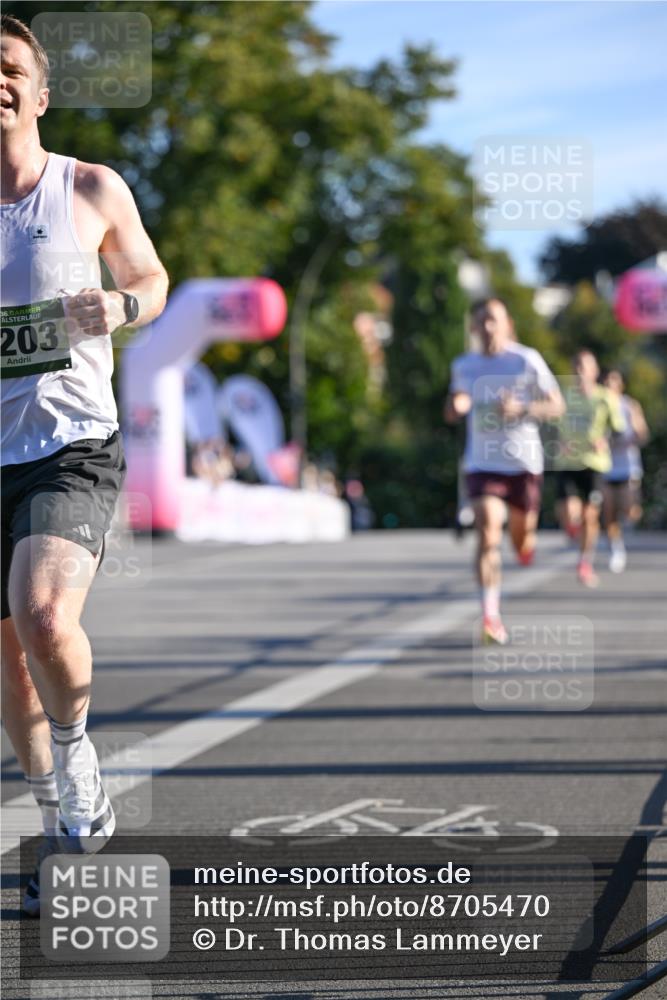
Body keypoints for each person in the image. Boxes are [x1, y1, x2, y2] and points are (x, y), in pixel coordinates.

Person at [1, 15, 168, 912]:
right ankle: (59, 825)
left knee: (43, 615)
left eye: (10, 66)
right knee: (10, 657)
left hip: (70, 443)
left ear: (41, 90)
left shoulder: (89, 186)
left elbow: (152, 277)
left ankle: (78, 761)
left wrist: (120, 305)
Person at [445, 298, 564, 645]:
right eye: (480, 321)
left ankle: (525, 545)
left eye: (493, 320)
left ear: (507, 323)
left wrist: (523, 407)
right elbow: (455, 403)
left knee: (520, 537)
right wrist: (457, 405)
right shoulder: (464, 365)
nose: (487, 327)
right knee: (487, 533)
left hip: (523, 464)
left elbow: (556, 405)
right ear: (472, 327)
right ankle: (490, 616)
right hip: (482, 463)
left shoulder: (526, 360)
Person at [555, 351, 625, 588]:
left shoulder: (606, 398)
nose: (579, 372)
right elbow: (549, 424)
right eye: (575, 367)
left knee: (589, 515)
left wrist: (605, 441)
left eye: (584, 367)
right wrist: (558, 442)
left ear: (594, 371)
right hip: (567, 462)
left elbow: (618, 430)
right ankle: (573, 531)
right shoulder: (564, 396)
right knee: (567, 511)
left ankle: (585, 562)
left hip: (594, 463)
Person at [601, 368, 649, 573]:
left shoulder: (629, 405)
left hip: (628, 465)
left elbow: (642, 434)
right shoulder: (597, 405)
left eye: (613, 381)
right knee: (608, 511)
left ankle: (626, 524)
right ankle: (616, 548)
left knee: (629, 510)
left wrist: (629, 438)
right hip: (604, 466)